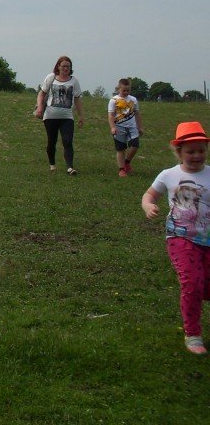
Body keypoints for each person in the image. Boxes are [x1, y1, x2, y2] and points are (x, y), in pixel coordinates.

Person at [141, 122, 210, 355]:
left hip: (207, 238)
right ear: (179, 152)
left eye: (201, 150)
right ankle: (193, 334)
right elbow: (149, 195)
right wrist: (148, 206)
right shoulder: (169, 175)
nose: (196, 155)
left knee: (204, 285)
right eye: (191, 151)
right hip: (180, 238)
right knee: (192, 282)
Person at [35, 55, 84, 175]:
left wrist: (81, 116)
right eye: (63, 66)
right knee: (52, 141)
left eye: (68, 66)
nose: (66, 68)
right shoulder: (51, 78)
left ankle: (70, 167)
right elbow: (42, 93)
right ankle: (52, 164)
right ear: (58, 66)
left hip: (67, 117)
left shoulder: (74, 81)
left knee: (67, 141)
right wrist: (40, 108)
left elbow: (77, 99)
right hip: (50, 117)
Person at [109, 78, 144, 177]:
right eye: (124, 90)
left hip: (132, 127)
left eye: (128, 90)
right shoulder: (113, 100)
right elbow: (111, 115)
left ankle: (127, 162)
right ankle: (122, 169)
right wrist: (113, 127)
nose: (126, 92)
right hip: (119, 127)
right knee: (121, 149)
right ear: (119, 89)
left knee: (135, 145)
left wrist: (140, 127)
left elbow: (137, 113)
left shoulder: (133, 100)